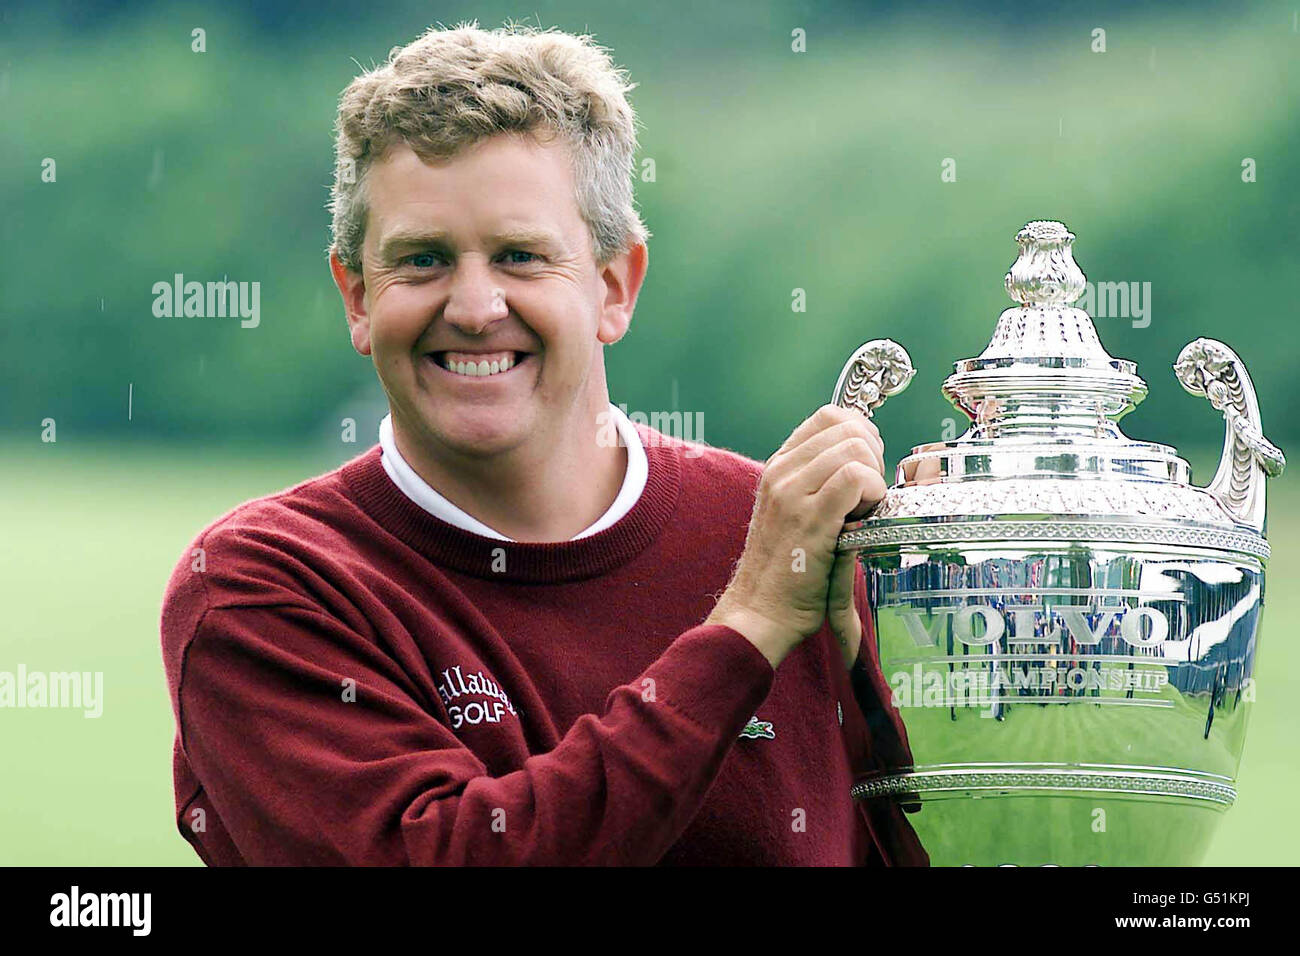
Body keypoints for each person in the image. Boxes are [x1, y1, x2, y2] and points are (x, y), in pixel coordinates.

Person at [159, 21, 926, 866]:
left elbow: (942, 835)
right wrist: (746, 628)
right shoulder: (262, 587)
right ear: (356, 297)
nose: (475, 305)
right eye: (421, 260)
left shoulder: (786, 537)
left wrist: (925, 637)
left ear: (614, 286)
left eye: (522, 255)